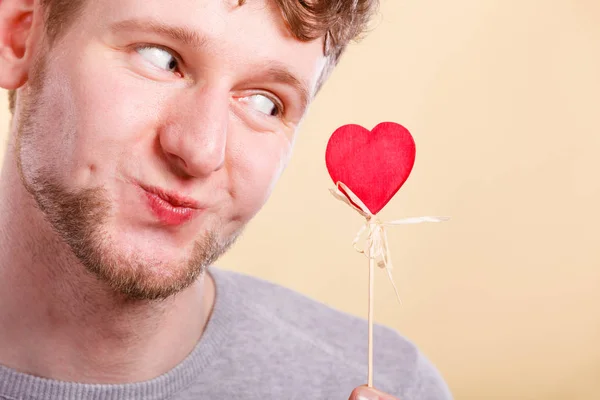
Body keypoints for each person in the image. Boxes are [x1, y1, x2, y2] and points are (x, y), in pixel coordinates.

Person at [0, 0, 453, 398]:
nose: (201, 151)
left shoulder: (393, 383)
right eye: (161, 58)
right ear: (19, 35)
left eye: (264, 103)